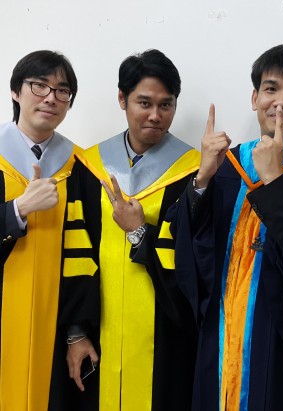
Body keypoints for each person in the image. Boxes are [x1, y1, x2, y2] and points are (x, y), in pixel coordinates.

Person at [155, 44, 283, 410]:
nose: (281, 102)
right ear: (254, 98)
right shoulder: (227, 164)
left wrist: (275, 182)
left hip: (281, 341)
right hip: (220, 330)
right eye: (270, 88)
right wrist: (202, 181)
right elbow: (190, 247)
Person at [57, 49, 200, 410]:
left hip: (165, 339)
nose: (155, 115)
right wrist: (76, 332)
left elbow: (193, 264)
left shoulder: (194, 173)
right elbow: (76, 252)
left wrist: (139, 232)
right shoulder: (89, 167)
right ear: (122, 99)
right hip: (99, 337)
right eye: (144, 103)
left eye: (166, 105)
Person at [0, 50, 81, 410]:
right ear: (15, 91)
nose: (51, 97)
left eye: (62, 90)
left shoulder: (79, 166)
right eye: (39, 86)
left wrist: (77, 331)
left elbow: (84, 254)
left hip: (55, 322)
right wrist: (17, 210)